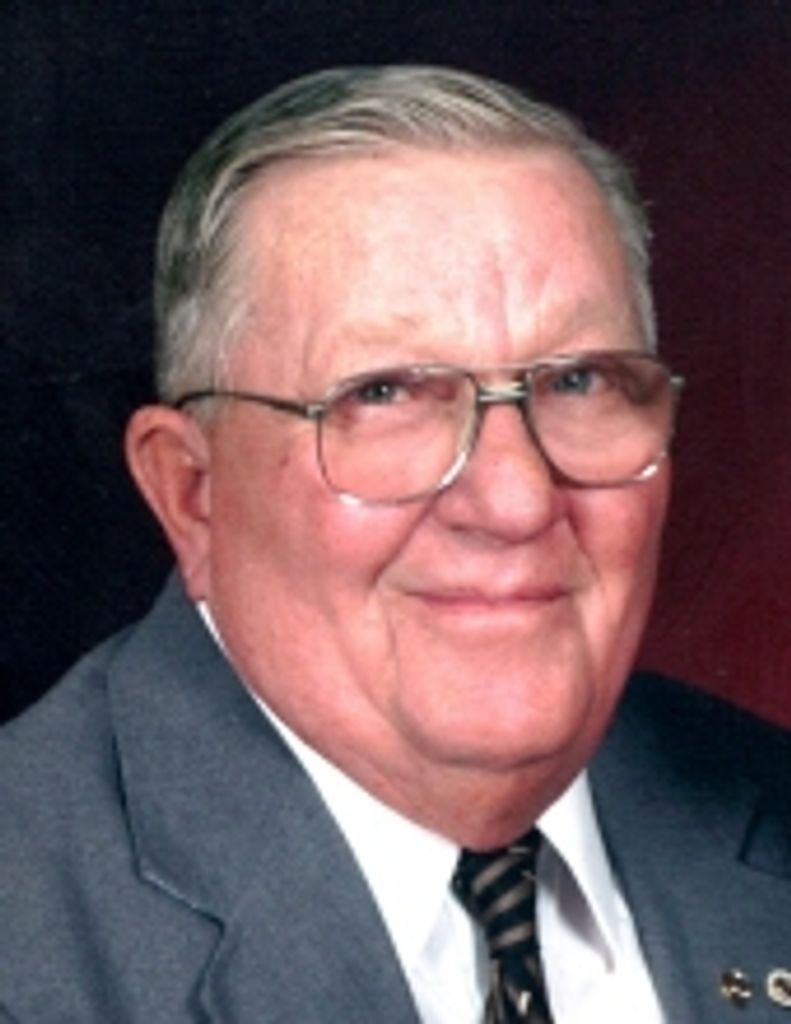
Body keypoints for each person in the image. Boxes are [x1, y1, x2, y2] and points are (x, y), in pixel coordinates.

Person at [1, 66, 789, 1024]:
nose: (514, 500)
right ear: (193, 493)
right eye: (383, 395)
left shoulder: (762, 809)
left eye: (578, 382)